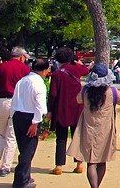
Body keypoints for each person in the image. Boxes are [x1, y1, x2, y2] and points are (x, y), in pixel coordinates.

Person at [68, 63, 120, 188]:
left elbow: (77, 100)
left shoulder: (85, 90)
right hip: (105, 130)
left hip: (88, 128)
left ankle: (94, 187)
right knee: (102, 161)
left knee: (91, 162)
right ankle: (97, 186)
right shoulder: (112, 91)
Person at [0, 46, 30, 176]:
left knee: (0, 131)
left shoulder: (1, 67)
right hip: (16, 102)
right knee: (12, 134)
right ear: (22, 56)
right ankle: (6, 166)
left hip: (1, 101)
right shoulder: (24, 69)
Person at [11, 57, 52, 188]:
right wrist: (35, 122)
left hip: (18, 115)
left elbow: (15, 99)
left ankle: (25, 176)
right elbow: (40, 106)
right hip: (30, 117)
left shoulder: (22, 80)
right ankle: (21, 180)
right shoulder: (39, 83)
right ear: (45, 70)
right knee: (28, 149)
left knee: (23, 148)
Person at [49, 47, 90, 176]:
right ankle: (79, 164)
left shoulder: (57, 74)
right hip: (77, 108)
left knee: (61, 138)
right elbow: (86, 70)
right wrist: (77, 62)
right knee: (77, 137)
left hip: (61, 109)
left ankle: (59, 166)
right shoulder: (76, 68)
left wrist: (50, 110)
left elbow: (53, 94)